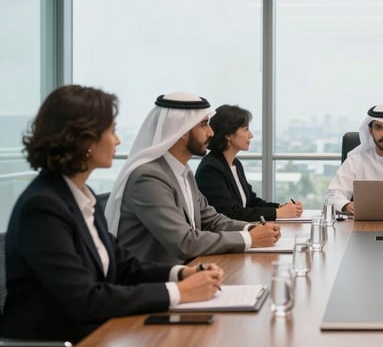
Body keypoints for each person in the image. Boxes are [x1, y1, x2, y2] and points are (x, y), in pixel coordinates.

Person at [0, 85, 223, 343]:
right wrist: (178, 292)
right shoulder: (42, 207)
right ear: (83, 139)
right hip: (62, 339)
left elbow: (122, 265)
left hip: (97, 330)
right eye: (111, 131)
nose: (117, 141)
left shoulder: (81, 195)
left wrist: (180, 274)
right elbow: (85, 299)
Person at [105, 92, 281, 265]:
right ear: (181, 130)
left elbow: (211, 219)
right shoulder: (148, 178)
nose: (211, 133)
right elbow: (184, 241)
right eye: (204, 125)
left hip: (189, 271)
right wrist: (248, 238)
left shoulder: (184, 172)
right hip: (155, 283)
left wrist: (251, 228)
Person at [195, 104, 303, 222]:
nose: (250, 135)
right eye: (246, 129)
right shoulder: (210, 169)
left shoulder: (235, 164)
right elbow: (230, 213)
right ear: (228, 135)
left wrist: (280, 207)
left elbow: (251, 202)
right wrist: (277, 213)